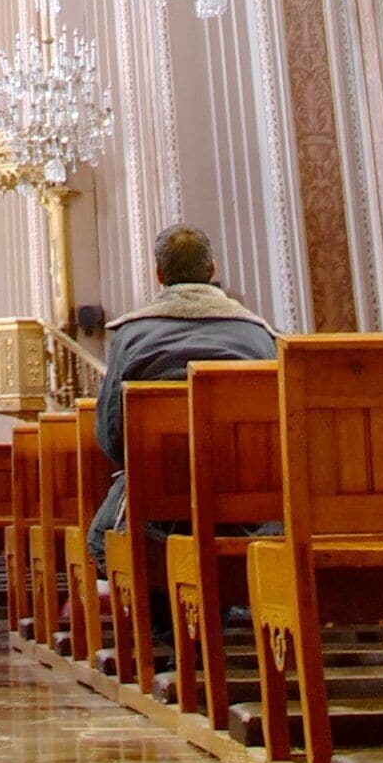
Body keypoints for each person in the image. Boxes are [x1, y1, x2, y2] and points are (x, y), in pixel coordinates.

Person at [89, 226, 280, 567]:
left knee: (101, 543)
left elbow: (110, 437)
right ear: (212, 270)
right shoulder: (259, 337)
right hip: (250, 516)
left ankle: (163, 619)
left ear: (159, 274)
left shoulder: (132, 336)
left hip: (155, 520)